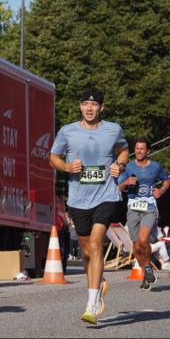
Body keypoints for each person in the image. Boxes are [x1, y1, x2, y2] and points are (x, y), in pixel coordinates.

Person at [49, 87, 128, 325]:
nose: (89, 108)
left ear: (102, 108)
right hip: (78, 198)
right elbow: (53, 157)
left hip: (106, 195)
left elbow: (123, 150)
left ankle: (91, 304)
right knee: (86, 252)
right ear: (81, 106)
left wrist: (120, 166)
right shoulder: (68, 131)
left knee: (95, 243)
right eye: (85, 104)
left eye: (94, 105)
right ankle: (99, 283)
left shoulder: (113, 129)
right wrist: (66, 167)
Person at [117, 137, 170, 290]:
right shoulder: (128, 167)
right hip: (133, 208)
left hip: (149, 207)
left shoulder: (155, 167)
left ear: (148, 151)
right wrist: (126, 183)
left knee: (143, 240)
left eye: (142, 149)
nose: (139, 151)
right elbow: (118, 187)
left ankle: (147, 272)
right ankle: (147, 271)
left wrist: (161, 190)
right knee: (137, 248)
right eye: (137, 148)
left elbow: (167, 180)